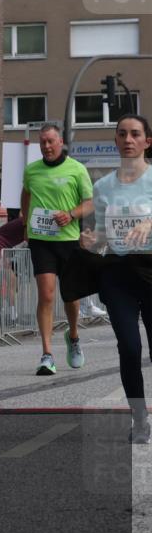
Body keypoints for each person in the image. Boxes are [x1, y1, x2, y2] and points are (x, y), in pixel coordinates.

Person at [82, 114, 152, 444]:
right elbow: (100, 235)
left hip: (151, 270)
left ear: (146, 142)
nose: (128, 139)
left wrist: (149, 224)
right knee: (129, 346)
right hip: (118, 273)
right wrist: (91, 240)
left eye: (135, 134)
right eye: (122, 134)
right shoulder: (103, 187)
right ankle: (139, 419)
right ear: (116, 141)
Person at [20, 123, 93, 375]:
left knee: (71, 296)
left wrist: (71, 214)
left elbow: (90, 203)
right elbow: (26, 194)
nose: (46, 146)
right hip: (42, 241)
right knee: (47, 295)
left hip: (68, 240)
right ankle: (47, 354)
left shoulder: (77, 169)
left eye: (50, 141)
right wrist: (26, 223)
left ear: (60, 142)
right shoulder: (31, 170)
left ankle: (73, 337)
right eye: (42, 142)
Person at [0, 216, 26, 325]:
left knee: (11, 280)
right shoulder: (28, 219)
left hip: (1, 248)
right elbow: (28, 238)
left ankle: (12, 314)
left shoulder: (28, 218)